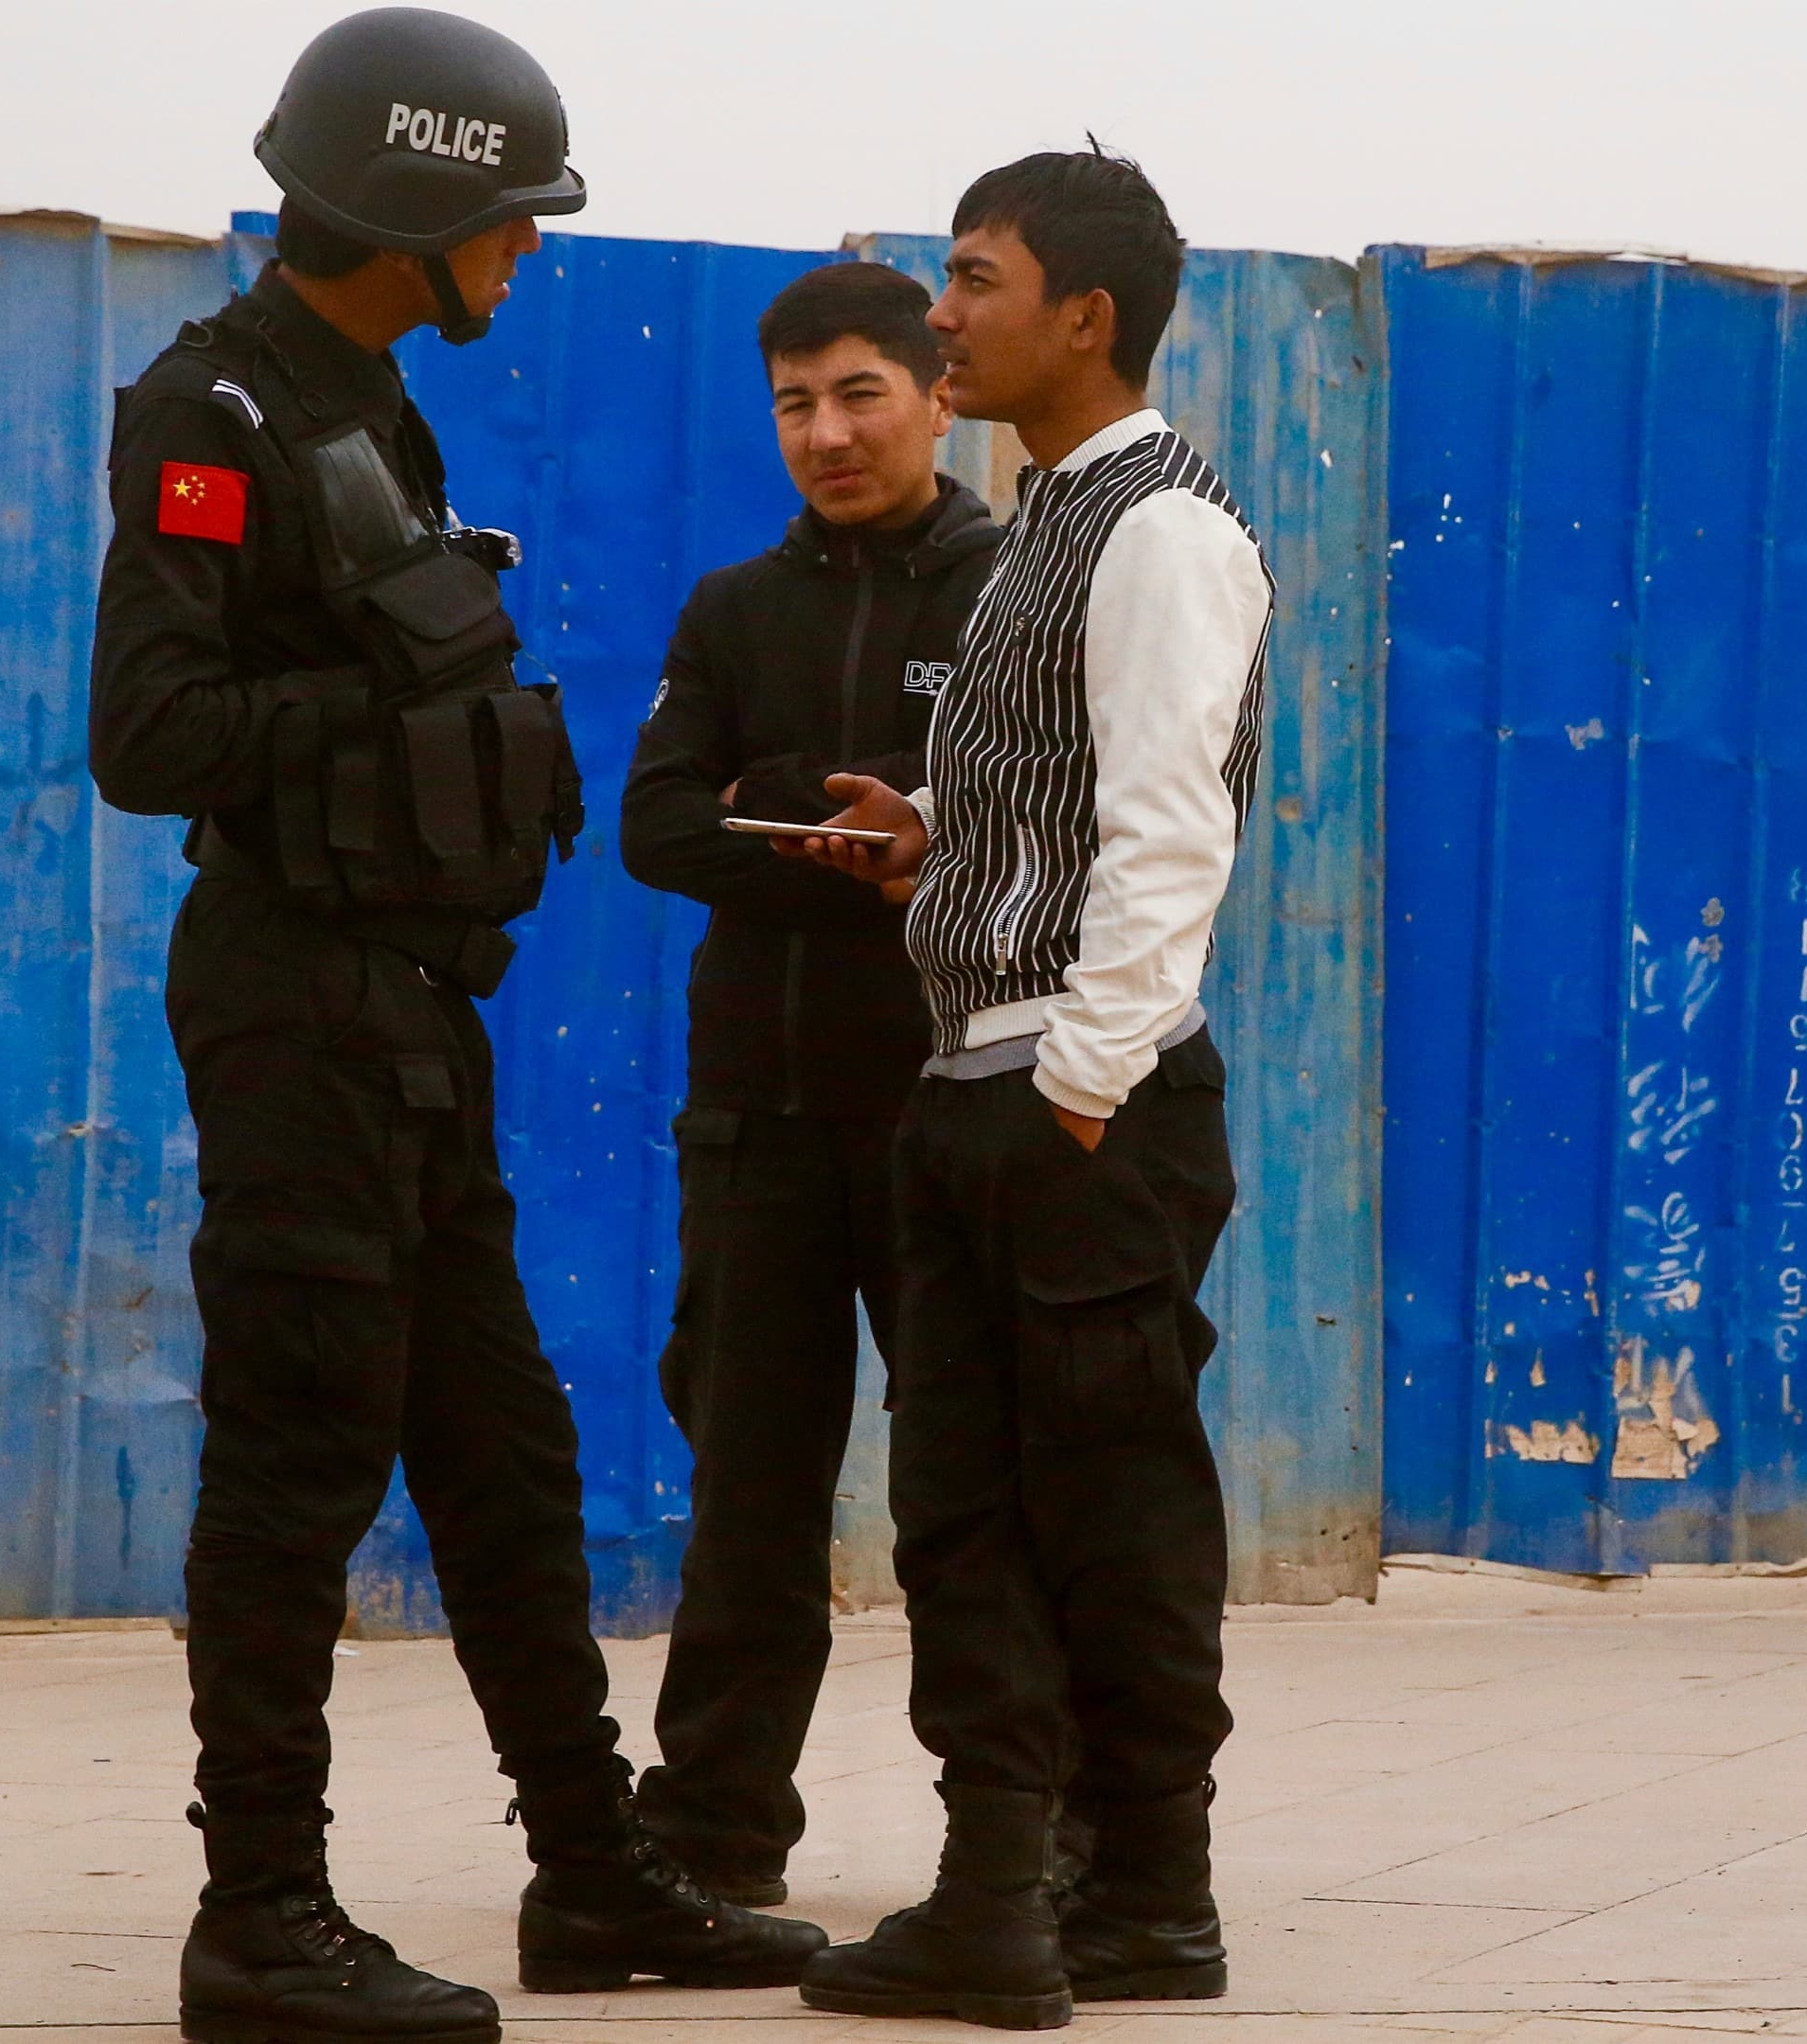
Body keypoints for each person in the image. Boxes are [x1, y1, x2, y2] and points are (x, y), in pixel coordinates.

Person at [84, 11, 825, 2039]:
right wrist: (399, 697)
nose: (523, 258)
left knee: (503, 1455)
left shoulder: (373, 410)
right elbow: (148, 737)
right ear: (409, 211)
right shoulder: (213, 410)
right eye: (503, 222)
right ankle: (260, 1916)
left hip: (412, 1012)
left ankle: (594, 1881)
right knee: (298, 1454)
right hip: (292, 1000)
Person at [782, 150, 1272, 2030]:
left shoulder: (1161, 529)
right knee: (967, 1514)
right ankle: (1006, 1887)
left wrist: (1075, 1091)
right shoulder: (1045, 520)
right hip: (978, 1078)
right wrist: (937, 839)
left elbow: (1173, 837)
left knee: (1114, 1506)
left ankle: (1151, 1888)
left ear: (1084, 313)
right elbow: (1068, 807)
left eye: (974, 280)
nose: (939, 313)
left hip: (1083, 1103)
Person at [617, 262, 1002, 1908]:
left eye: (859, 394)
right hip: (757, 1125)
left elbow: (1026, 833)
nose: (826, 433)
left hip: (946, 1116)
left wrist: (765, 819)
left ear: (933, 392)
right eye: (795, 402)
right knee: (749, 1501)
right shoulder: (732, 610)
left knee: (972, 1503)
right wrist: (842, 839)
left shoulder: (1013, 592)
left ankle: (1009, 1840)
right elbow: (652, 826)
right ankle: (711, 1839)